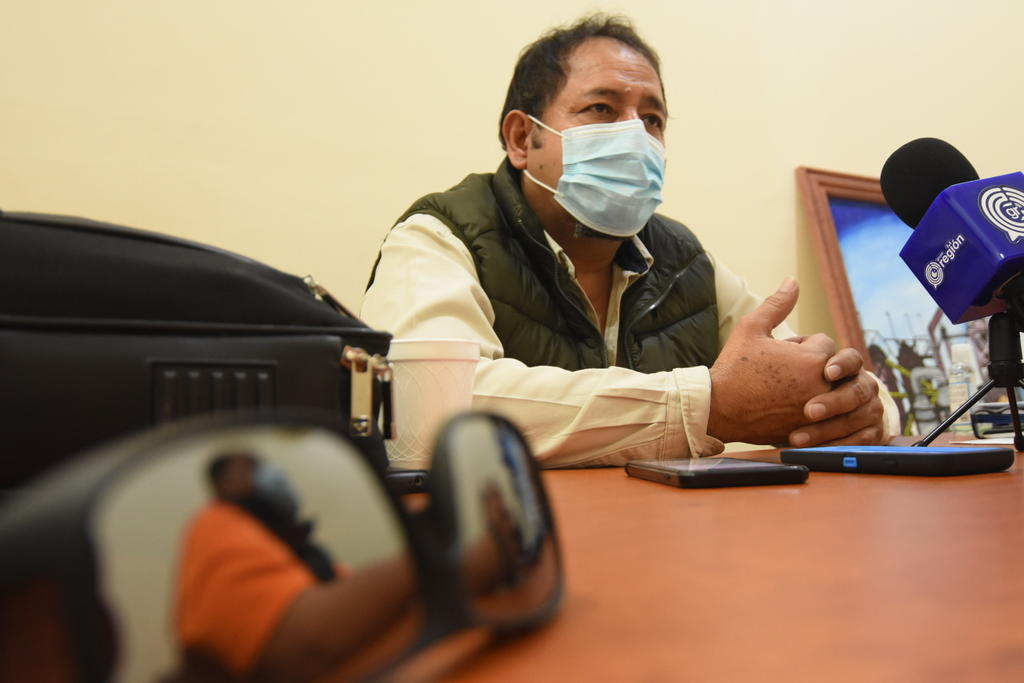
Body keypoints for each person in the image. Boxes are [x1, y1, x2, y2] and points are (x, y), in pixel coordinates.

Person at [362, 14, 899, 467]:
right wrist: (704, 406)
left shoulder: (684, 261)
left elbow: (813, 384)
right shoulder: (440, 235)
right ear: (523, 138)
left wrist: (859, 408)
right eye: (602, 109)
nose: (636, 136)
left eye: (652, 118)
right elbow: (424, 416)